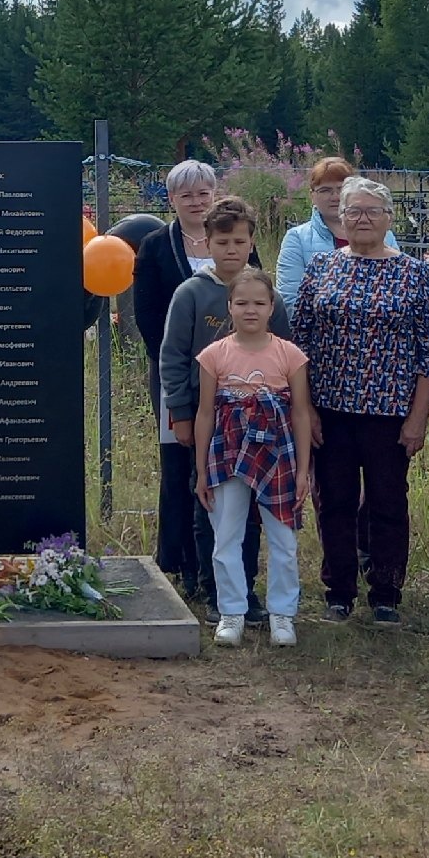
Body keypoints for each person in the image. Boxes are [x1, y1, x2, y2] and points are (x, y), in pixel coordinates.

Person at [292, 177, 429, 624]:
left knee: (387, 503)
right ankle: (339, 590)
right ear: (340, 217)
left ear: (389, 218)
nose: (361, 219)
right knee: (332, 501)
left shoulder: (413, 272)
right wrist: (306, 410)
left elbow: (428, 353)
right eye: (353, 211)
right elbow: (301, 345)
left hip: (390, 414)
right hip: (330, 410)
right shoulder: (322, 267)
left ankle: (386, 593)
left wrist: (417, 418)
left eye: (372, 211)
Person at [161, 194, 291, 621]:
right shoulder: (191, 294)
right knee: (209, 504)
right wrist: (180, 412)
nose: (231, 250)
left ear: (251, 242)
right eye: (222, 243)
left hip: (259, 422)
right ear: (208, 243)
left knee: (250, 508)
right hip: (207, 417)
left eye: (239, 241)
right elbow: (172, 357)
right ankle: (210, 586)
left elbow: (288, 356)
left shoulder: (266, 294)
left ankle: (246, 591)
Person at [192, 268, 315, 647]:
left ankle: (282, 614)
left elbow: (300, 412)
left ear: (271, 306)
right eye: (241, 303)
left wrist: (303, 470)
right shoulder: (214, 355)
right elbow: (205, 413)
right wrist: (201, 471)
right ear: (229, 307)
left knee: (282, 537)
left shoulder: (290, 355)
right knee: (226, 535)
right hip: (227, 453)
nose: (250, 310)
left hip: (277, 454)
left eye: (259, 303)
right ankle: (232, 612)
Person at [133, 160, 222, 596]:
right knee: (180, 464)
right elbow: (147, 315)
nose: (196, 201)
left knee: (220, 464)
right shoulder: (154, 245)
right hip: (175, 375)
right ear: (171, 199)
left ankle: (218, 564)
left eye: (203, 192)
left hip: (230, 375)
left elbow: (256, 296)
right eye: (186, 194)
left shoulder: (232, 236)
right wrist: (175, 367)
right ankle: (179, 559)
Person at [273, 157, 351, 306]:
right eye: (325, 190)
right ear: (312, 196)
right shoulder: (296, 239)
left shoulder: (384, 236)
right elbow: (290, 300)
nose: (335, 196)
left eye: (341, 189)